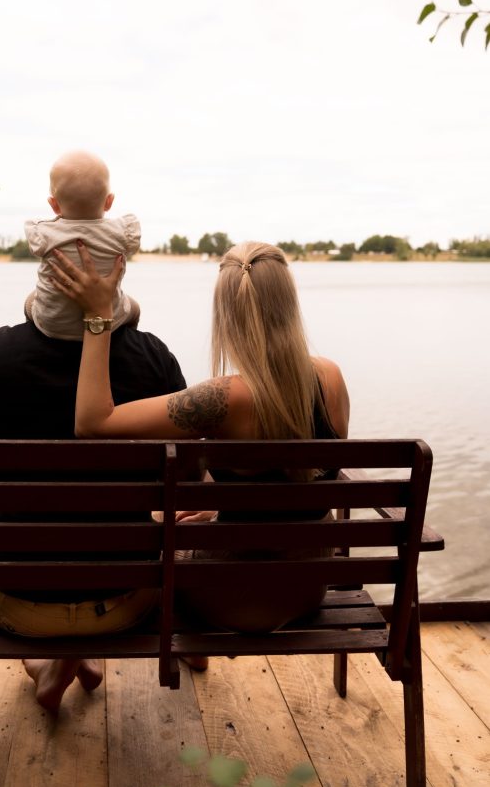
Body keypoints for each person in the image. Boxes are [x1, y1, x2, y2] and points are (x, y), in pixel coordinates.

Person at [51, 238, 350, 635]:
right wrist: (224, 508)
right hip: (308, 590)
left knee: (147, 540)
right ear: (289, 304)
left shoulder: (223, 398)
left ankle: (66, 660)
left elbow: (92, 422)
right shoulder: (331, 376)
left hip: (232, 600)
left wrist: (98, 315)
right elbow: (298, 491)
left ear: (226, 314)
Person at [0, 310, 186, 712]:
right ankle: (73, 655)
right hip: (128, 598)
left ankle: (56, 662)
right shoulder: (152, 356)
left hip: (21, 603)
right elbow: (187, 471)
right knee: (144, 521)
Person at [23, 150, 140, 340]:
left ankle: (32, 340)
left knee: (30, 301)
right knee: (134, 308)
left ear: (54, 204)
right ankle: (127, 340)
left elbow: (34, 238)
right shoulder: (122, 231)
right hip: (111, 319)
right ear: (109, 201)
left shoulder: (44, 233)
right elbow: (133, 245)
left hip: (53, 324)